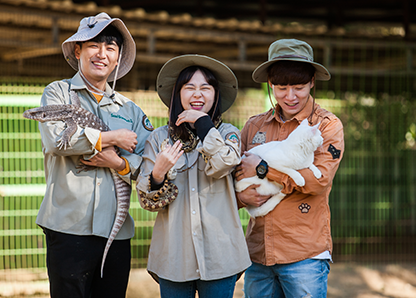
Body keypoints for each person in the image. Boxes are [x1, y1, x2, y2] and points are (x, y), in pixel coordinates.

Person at [35, 12, 153, 297]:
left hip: (117, 234)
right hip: (68, 230)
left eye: (110, 47)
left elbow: (150, 164)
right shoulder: (58, 93)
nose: (102, 53)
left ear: (117, 57)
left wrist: (120, 163)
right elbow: (56, 140)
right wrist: (110, 138)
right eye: (93, 45)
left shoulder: (131, 110)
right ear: (78, 51)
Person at [235, 39, 344, 297]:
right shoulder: (254, 126)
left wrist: (263, 170)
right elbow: (233, 177)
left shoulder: (326, 126)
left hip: (304, 256)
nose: (290, 96)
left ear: (312, 82)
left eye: (299, 87)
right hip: (258, 255)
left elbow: (318, 181)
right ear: (270, 85)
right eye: (282, 87)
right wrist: (240, 197)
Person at [136, 54, 251, 298]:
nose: (197, 94)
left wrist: (203, 124)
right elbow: (146, 200)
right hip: (173, 258)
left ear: (215, 95)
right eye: (189, 88)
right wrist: (158, 172)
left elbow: (222, 164)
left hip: (220, 257)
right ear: (177, 94)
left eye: (205, 88)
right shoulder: (158, 139)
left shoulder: (228, 133)